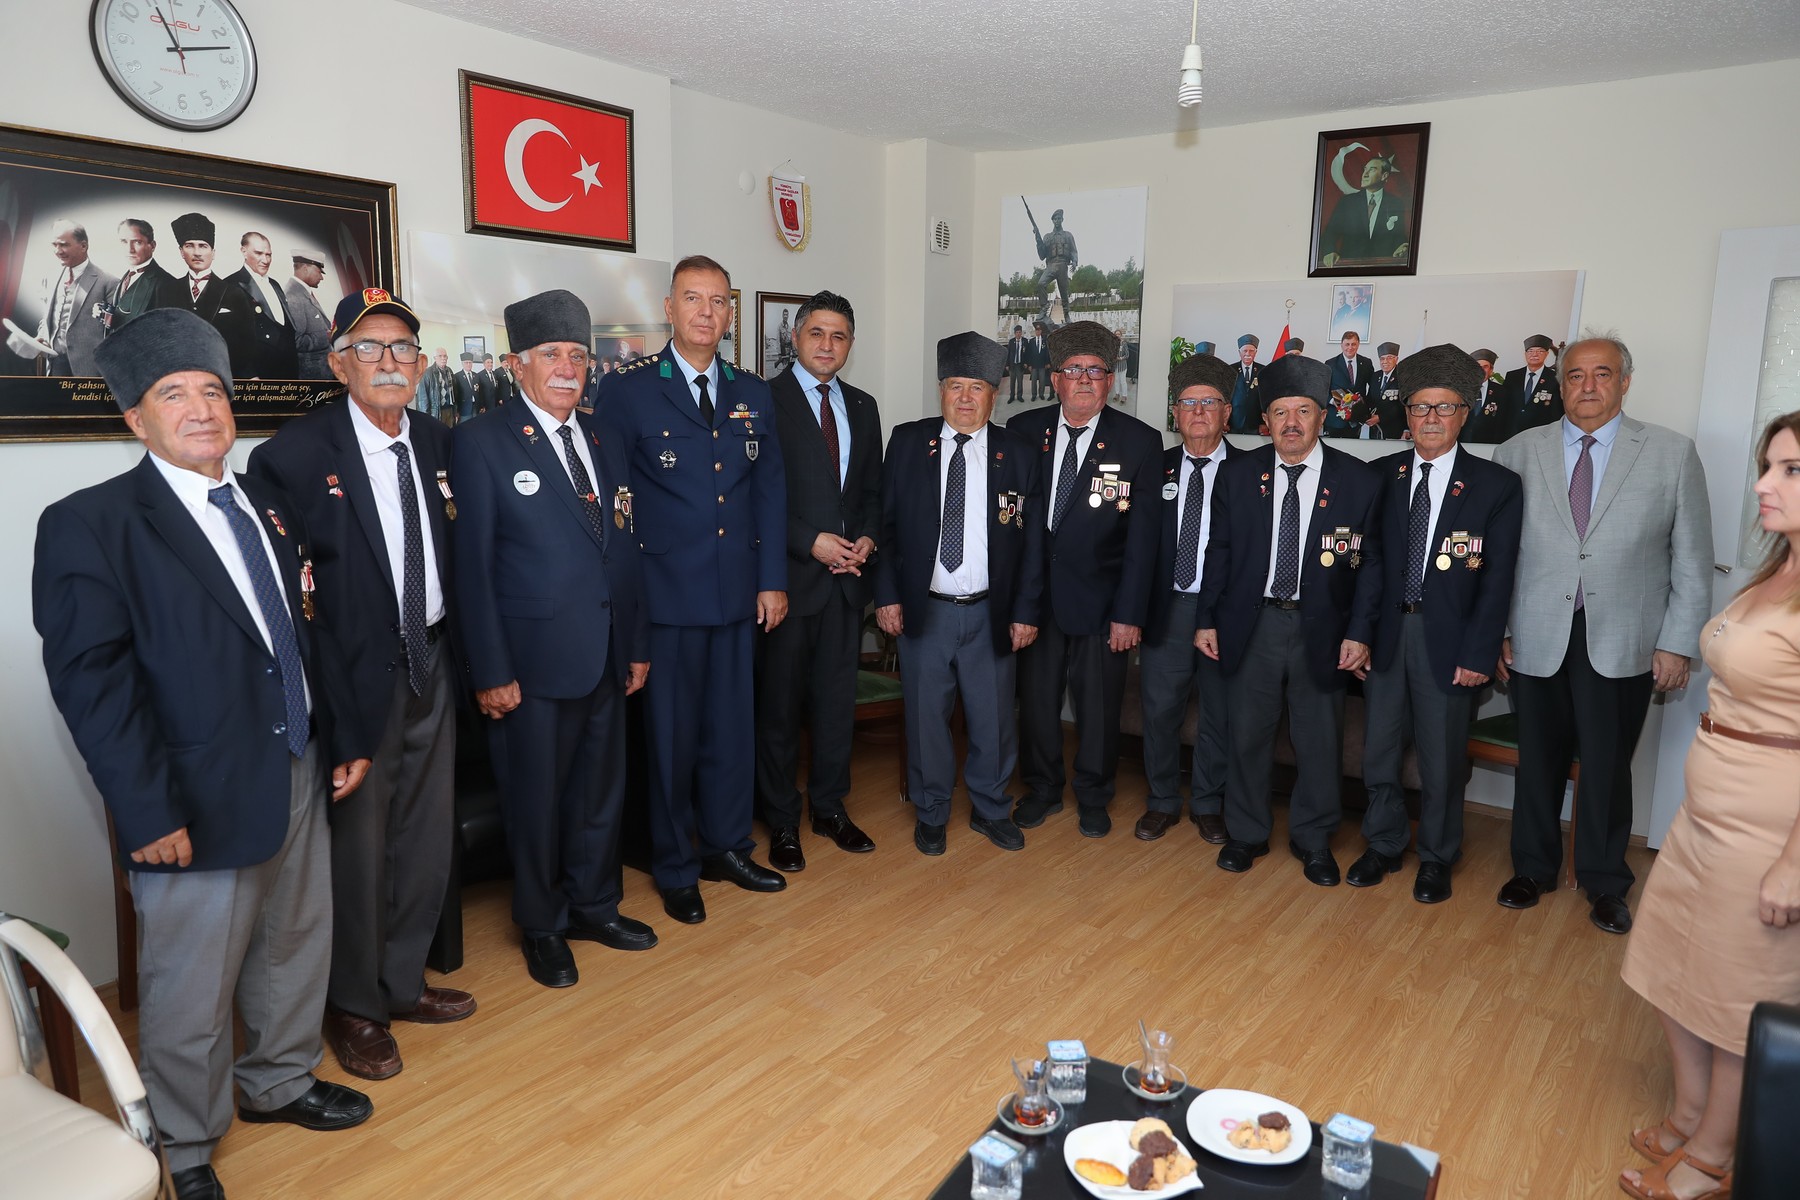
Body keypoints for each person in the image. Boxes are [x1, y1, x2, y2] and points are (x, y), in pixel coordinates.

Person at [32, 308, 375, 1200]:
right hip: (190, 792)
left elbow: (307, 629)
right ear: (135, 419)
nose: (201, 409)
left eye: (213, 392)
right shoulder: (92, 524)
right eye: (174, 394)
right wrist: (147, 812)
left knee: (294, 943)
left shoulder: (267, 501)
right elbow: (94, 687)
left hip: (297, 763)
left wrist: (341, 735)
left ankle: (279, 1080)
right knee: (189, 982)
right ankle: (182, 1143)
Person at [247, 286, 472, 1080]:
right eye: (368, 347)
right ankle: (354, 1005)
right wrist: (332, 718)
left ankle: (402, 983)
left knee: (425, 838)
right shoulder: (292, 457)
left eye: (402, 347)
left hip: (431, 660)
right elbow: (286, 605)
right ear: (338, 363)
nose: (388, 361)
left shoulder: (440, 443)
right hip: (350, 682)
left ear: (421, 363)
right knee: (358, 852)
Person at [1616, 411, 1800, 1200]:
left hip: (1770, 828)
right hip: (1708, 813)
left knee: (1735, 996)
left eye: (1791, 470)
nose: (1763, 484)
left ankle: (1714, 1156)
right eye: (1769, 465)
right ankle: (1692, 1113)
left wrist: (1795, 863)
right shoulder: (1778, 570)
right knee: (1668, 957)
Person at [454, 289, 654, 988]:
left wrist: (635, 643)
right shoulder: (482, 442)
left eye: (577, 355)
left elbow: (623, 548)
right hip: (530, 667)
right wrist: (490, 670)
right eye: (551, 355)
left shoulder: (603, 437)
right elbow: (472, 570)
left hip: (605, 653)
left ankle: (595, 906)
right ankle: (542, 925)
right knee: (536, 802)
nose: (568, 368)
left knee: (600, 793)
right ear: (517, 364)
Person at [1494, 332, 1713, 933]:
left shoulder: (1671, 453)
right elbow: (1497, 558)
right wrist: (1498, 631)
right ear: (1560, 384)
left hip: (1623, 639)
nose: (1587, 386)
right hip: (1536, 632)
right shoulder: (1517, 451)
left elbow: (1693, 559)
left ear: (1625, 382)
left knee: (1608, 764)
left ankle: (1605, 881)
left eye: (1602, 374)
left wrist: (1677, 643)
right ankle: (1532, 868)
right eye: (1575, 375)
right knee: (1537, 759)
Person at [596, 255, 788, 925]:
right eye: (693, 299)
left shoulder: (751, 391)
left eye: (718, 301)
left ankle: (728, 848)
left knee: (732, 734)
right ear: (669, 309)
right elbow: (616, 505)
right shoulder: (627, 391)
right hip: (666, 597)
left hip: (737, 593)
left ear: (730, 312)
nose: (707, 312)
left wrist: (772, 580)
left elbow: (769, 492)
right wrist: (628, 601)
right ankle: (677, 866)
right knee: (672, 743)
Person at [1195, 354, 1383, 884]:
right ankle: (1246, 833)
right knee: (1247, 735)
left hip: (1322, 629)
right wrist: (1206, 618)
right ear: (1266, 420)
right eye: (1280, 412)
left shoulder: (1359, 481)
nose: (1292, 423)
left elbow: (1372, 567)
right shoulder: (1237, 474)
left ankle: (1313, 840)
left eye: (1303, 411)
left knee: (1319, 740)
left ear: (1323, 415)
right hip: (1252, 625)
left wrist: (1359, 633)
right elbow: (1219, 551)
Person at [1350, 345, 1522, 902]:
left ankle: (1437, 856)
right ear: (1407, 413)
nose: (1430, 418)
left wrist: (1479, 653)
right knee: (1379, 751)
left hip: (1449, 643)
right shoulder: (1381, 476)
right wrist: (1359, 633)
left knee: (1441, 759)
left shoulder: (1495, 486)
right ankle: (1383, 843)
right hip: (1386, 636)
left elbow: (1497, 580)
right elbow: (1367, 564)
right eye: (1420, 407)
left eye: (1444, 407)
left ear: (1464, 414)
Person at [875, 332, 1044, 853]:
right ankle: (931, 811)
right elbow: (884, 528)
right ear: (940, 390)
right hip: (925, 612)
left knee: (993, 719)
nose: (965, 398)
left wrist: (1025, 610)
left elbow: (1033, 542)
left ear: (994, 394)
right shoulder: (908, 443)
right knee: (926, 718)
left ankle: (991, 809)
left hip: (991, 612)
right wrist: (886, 597)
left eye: (977, 387)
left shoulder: (1019, 453)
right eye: (955, 386)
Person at [1009, 320, 1163, 838]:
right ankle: (1042, 788)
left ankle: (1094, 794)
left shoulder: (1139, 442)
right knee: (1037, 703)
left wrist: (1129, 614)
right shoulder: (1022, 431)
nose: (1083, 380)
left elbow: (1143, 541)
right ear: (1055, 379)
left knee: (1098, 708)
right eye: (1073, 370)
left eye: (1095, 371)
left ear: (1110, 380)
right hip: (1035, 599)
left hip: (1103, 604)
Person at [756, 291, 883, 871]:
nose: (827, 345)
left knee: (836, 707)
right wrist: (810, 540)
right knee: (780, 710)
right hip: (788, 583)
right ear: (796, 337)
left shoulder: (863, 406)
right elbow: (753, 496)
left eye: (839, 336)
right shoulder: (764, 399)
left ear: (850, 345)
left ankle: (829, 808)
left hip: (846, 584)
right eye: (817, 333)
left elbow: (872, 493)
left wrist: (868, 540)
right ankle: (782, 819)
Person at [1135, 352, 1239, 844]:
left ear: (1227, 412)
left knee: (1219, 711)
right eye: (1188, 402)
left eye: (1209, 402)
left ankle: (1208, 803)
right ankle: (1161, 800)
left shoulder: (1253, 472)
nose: (1198, 412)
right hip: (1169, 608)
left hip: (1225, 613)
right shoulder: (1152, 469)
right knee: (1159, 710)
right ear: (1175, 413)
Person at [7, 219, 115, 375]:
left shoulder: (108, 282)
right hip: (54, 365)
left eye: (64, 245)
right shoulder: (49, 278)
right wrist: (42, 338)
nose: (58, 251)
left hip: (90, 369)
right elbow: (47, 318)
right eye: (54, 245)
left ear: (83, 246)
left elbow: (113, 332)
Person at [170, 212, 256, 378]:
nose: (197, 252)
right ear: (181, 252)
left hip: (221, 376)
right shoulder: (166, 290)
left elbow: (248, 347)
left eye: (203, 246)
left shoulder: (234, 293)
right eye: (189, 245)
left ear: (213, 252)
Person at [224, 231, 299, 379]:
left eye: (268, 255)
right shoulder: (229, 286)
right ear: (243, 251)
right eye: (258, 253)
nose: (265, 260)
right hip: (259, 374)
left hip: (289, 371)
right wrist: (249, 375)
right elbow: (230, 338)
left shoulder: (275, 284)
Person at [1319, 154, 1410, 266]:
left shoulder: (1395, 203)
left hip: (1382, 267)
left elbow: (1398, 235)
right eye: (1365, 169)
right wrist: (1329, 252)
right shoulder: (1347, 202)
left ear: (1384, 176)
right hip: (1350, 267)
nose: (1365, 174)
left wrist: (1402, 246)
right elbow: (1330, 232)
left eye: (1372, 170)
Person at [108, 219, 186, 333]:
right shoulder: (126, 277)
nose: (130, 250)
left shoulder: (167, 284)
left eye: (137, 242)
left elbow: (170, 331)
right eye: (124, 242)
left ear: (152, 246)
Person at [284, 251, 334, 380]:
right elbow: (296, 341)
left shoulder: (301, 292)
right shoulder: (293, 297)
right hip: (312, 377)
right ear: (306, 268)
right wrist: (326, 337)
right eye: (319, 272)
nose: (321, 278)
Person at [1500, 334, 1561, 438]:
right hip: (1512, 434)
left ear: (1546, 354)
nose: (1535, 354)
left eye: (1540, 351)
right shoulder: (1512, 376)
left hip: (1540, 435)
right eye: (1530, 351)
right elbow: (1504, 407)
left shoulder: (1554, 378)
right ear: (1525, 354)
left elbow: (1556, 412)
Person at [1032, 207, 1078, 322]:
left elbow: (1073, 251)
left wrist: (1074, 261)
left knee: (1064, 292)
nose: (1057, 220)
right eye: (1055, 219)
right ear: (1052, 220)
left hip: (1062, 264)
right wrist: (1037, 239)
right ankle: (1044, 307)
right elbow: (1042, 255)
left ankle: (1066, 315)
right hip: (1051, 265)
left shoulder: (1068, 235)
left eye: (1059, 218)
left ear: (1062, 219)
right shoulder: (1047, 237)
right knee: (1041, 283)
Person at [1351, 340, 1403, 439]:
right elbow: (1370, 399)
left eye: (1389, 358)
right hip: (1375, 429)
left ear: (1396, 359)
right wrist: (1357, 403)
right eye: (1382, 358)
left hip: (1394, 429)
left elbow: (1402, 406)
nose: (1385, 362)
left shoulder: (1402, 377)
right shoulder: (1375, 376)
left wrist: (1380, 418)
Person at [1326, 331, 1374, 437]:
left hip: (1357, 419)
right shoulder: (1330, 364)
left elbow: (1373, 387)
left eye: (1353, 344)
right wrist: (1333, 401)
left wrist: (1366, 406)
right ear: (1341, 345)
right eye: (1347, 344)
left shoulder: (1366, 363)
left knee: (1353, 446)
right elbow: (1323, 389)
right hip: (1335, 419)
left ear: (1358, 344)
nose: (1350, 347)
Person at [1463, 347, 1507, 443]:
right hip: (1463, 442)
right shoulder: (1462, 389)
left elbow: (1502, 422)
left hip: (1488, 444)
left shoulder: (1501, 392)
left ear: (1491, 370)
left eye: (1485, 367)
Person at [1228, 334, 1261, 434]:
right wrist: (1225, 421)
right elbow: (1226, 397)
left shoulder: (1263, 371)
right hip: (1234, 424)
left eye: (1251, 351)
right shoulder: (1230, 370)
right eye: (1245, 351)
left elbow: (1265, 398)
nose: (1248, 354)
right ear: (1239, 352)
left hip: (1256, 425)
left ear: (1256, 352)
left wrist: (1264, 423)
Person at [453, 351, 485, 422]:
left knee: (476, 425)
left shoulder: (476, 375)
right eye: (466, 362)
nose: (468, 364)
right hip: (464, 408)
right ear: (462, 363)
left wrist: (481, 405)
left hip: (476, 407)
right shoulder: (457, 376)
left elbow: (480, 392)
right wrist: (456, 410)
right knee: (465, 426)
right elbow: (455, 395)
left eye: (470, 362)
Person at [1006, 323, 1029, 403]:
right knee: (1012, 382)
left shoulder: (1025, 341)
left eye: (1019, 332)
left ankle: (1019, 396)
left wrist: (1026, 362)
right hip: (1012, 365)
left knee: (1020, 382)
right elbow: (1008, 353)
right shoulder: (1011, 341)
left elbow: (1027, 353)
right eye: (1017, 332)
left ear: (1021, 333)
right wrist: (1007, 364)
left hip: (1020, 365)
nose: (1018, 334)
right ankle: (1012, 396)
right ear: (1014, 333)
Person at [1028, 319, 1050, 401]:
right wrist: (1029, 364)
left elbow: (1047, 353)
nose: (1038, 332)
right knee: (1034, 381)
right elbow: (1029, 354)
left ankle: (1041, 394)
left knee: (1042, 381)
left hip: (1042, 364)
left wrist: (1047, 363)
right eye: (1036, 330)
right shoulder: (1031, 341)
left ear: (1041, 331)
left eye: (1039, 330)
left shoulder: (1045, 341)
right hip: (1034, 365)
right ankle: (1034, 395)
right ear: (1035, 331)